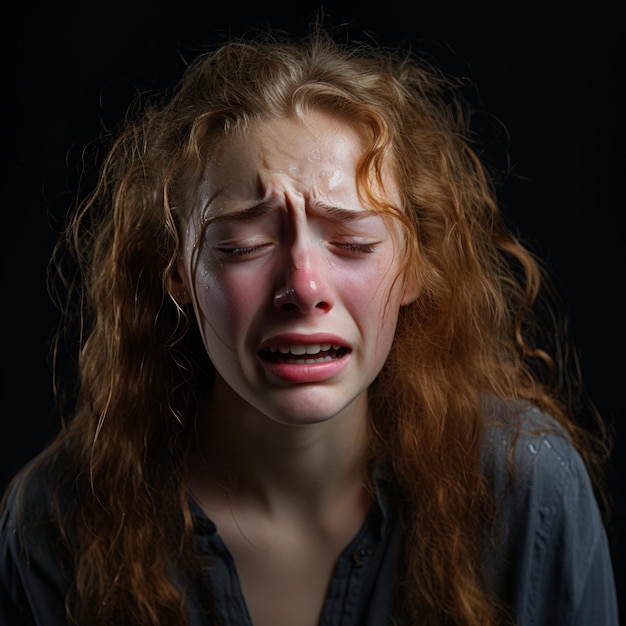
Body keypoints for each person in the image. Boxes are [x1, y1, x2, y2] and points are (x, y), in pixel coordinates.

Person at [0, 21, 619, 626]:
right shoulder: (55, 520)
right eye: (243, 246)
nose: (303, 288)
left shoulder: (527, 490)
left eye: (351, 242)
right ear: (176, 274)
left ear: (417, 271)